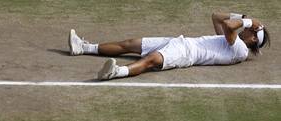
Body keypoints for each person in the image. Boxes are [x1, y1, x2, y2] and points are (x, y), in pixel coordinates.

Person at [68, 12, 270, 80]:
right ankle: (83, 48)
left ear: (253, 39)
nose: (246, 29)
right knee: (130, 44)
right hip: (180, 41)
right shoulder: (230, 41)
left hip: (186, 53)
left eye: (251, 31)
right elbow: (217, 16)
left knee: (151, 60)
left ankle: (116, 72)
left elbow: (227, 26)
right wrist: (244, 18)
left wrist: (248, 22)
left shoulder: (241, 50)